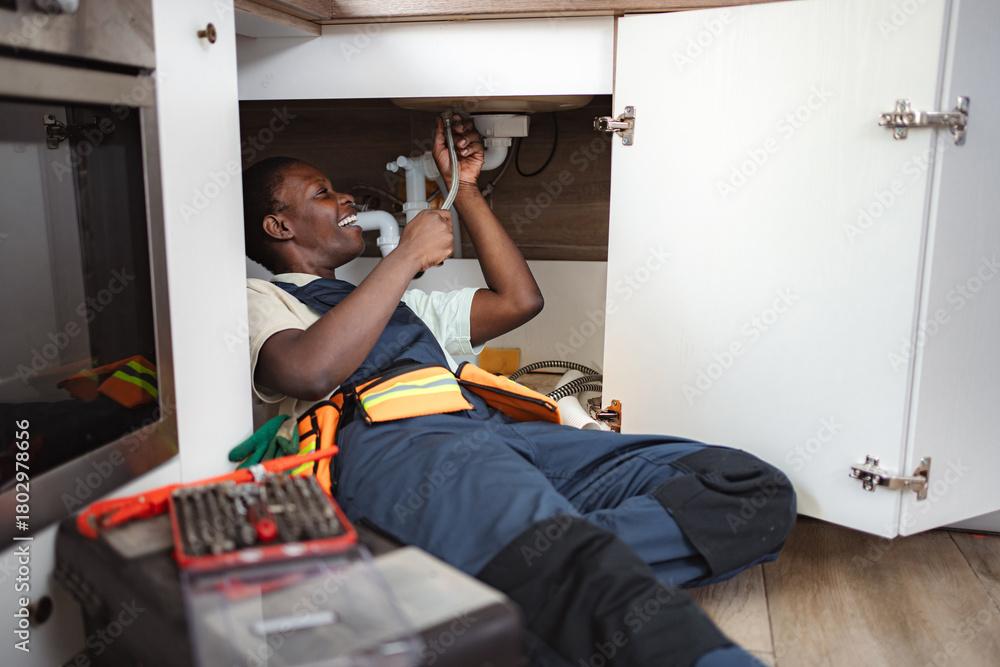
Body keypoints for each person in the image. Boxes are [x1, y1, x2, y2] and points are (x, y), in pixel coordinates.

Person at [242, 115, 796, 667]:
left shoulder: (400, 306)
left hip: (496, 432)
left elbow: (518, 300)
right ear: (279, 227)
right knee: (569, 562)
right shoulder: (260, 299)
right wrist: (405, 256)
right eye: (322, 192)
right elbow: (309, 370)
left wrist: (469, 191)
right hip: (406, 450)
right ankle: (549, 565)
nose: (344, 198)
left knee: (747, 489)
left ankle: (515, 567)